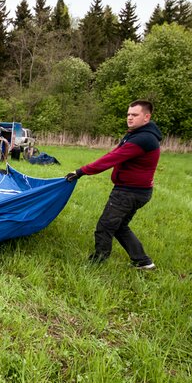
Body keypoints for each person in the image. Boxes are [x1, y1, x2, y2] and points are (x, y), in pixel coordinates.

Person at [65, 100, 161, 270]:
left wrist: (81, 171)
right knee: (119, 226)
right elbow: (115, 153)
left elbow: (112, 158)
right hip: (136, 191)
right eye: (128, 114)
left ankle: (97, 262)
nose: (130, 118)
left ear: (146, 117)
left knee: (105, 226)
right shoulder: (136, 134)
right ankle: (143, 262)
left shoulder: (143, 139)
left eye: (135, 115)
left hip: (129, 192)